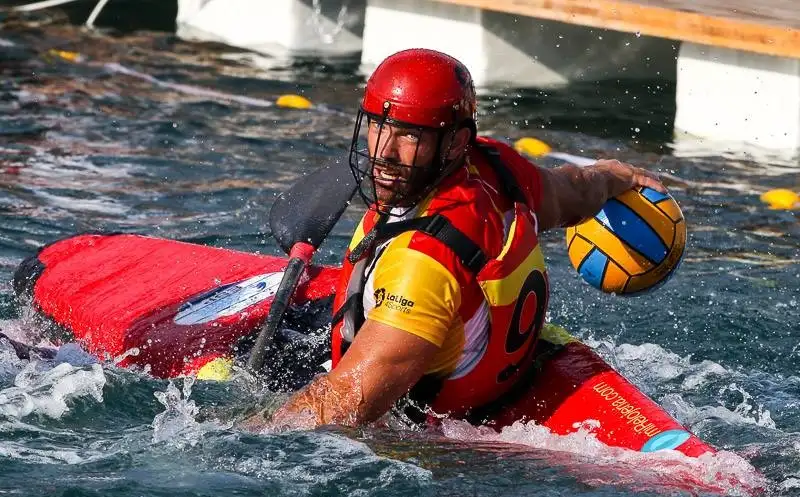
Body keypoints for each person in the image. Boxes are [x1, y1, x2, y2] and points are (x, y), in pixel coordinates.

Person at [242, 48, 666, 431]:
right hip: (503, 372)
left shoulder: (422, 265)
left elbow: (342, 404)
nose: (384, 153)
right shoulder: (499, 168)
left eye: (410, 135)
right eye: (377, 125)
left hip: (433, 431)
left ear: (455, 142)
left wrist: (235, 432)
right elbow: (572, 191)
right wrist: (614, 176)